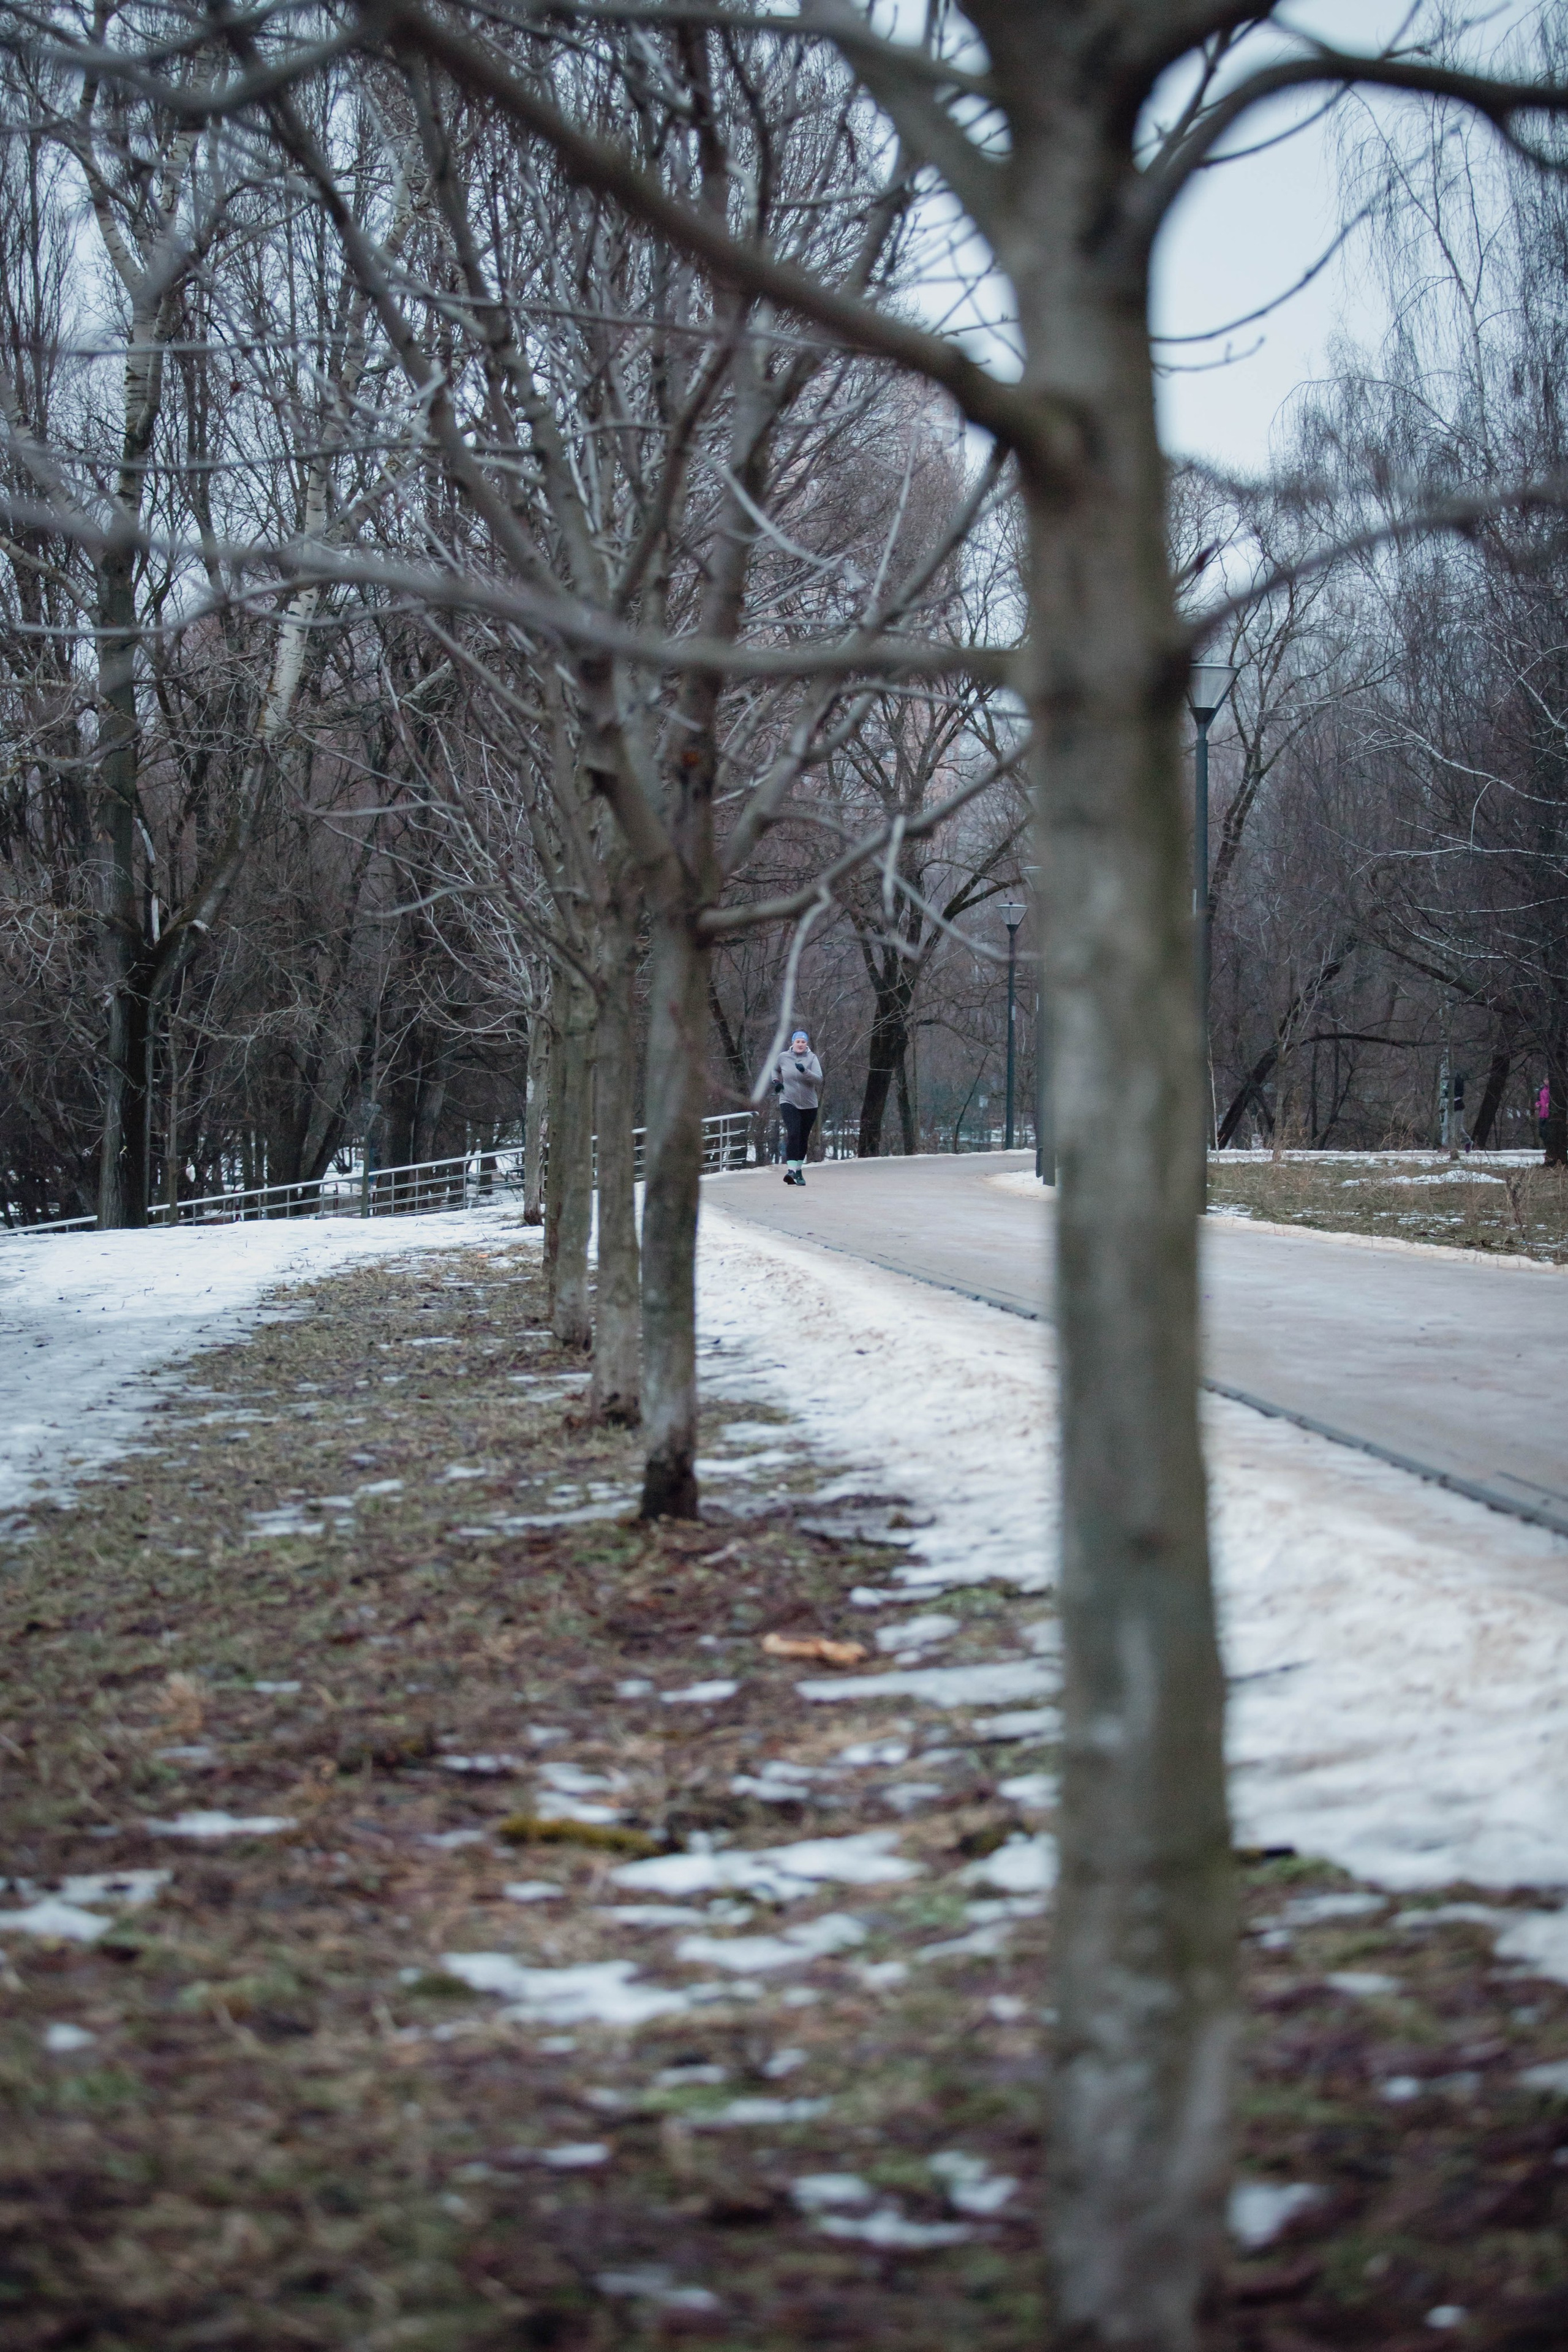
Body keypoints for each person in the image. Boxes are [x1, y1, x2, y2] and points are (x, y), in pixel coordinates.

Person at [772, 1028, 823, 1185]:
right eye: (798, 1041)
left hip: (809, 1105)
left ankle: (798, 1171)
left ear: (806, 1044)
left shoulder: (812, 1058)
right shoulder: (783, 1057)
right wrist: (776, 1082)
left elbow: (819, 1079)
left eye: (803, 1042)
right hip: (788, 1100)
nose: (800, 1044)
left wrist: (805, 1072)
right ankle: (791, 1171)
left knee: (803, 1137)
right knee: (793, 1133)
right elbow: (774, 1069)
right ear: (792, 1043)